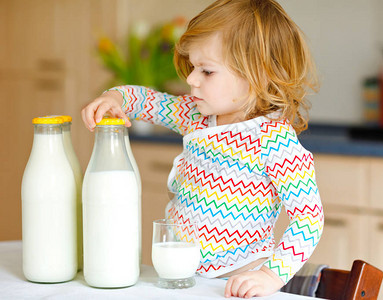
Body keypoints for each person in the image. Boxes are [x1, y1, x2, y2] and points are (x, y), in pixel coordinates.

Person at [81, 0, 324, 298]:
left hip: (239, 279)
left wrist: (270, 275)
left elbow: (308, 219)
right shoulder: (195, 117)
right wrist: (114, 98)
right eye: (193, 67)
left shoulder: (273, 139)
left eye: (206, 72)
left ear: (258, 75)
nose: (191, 79)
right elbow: (147, 101)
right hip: (184, 275)